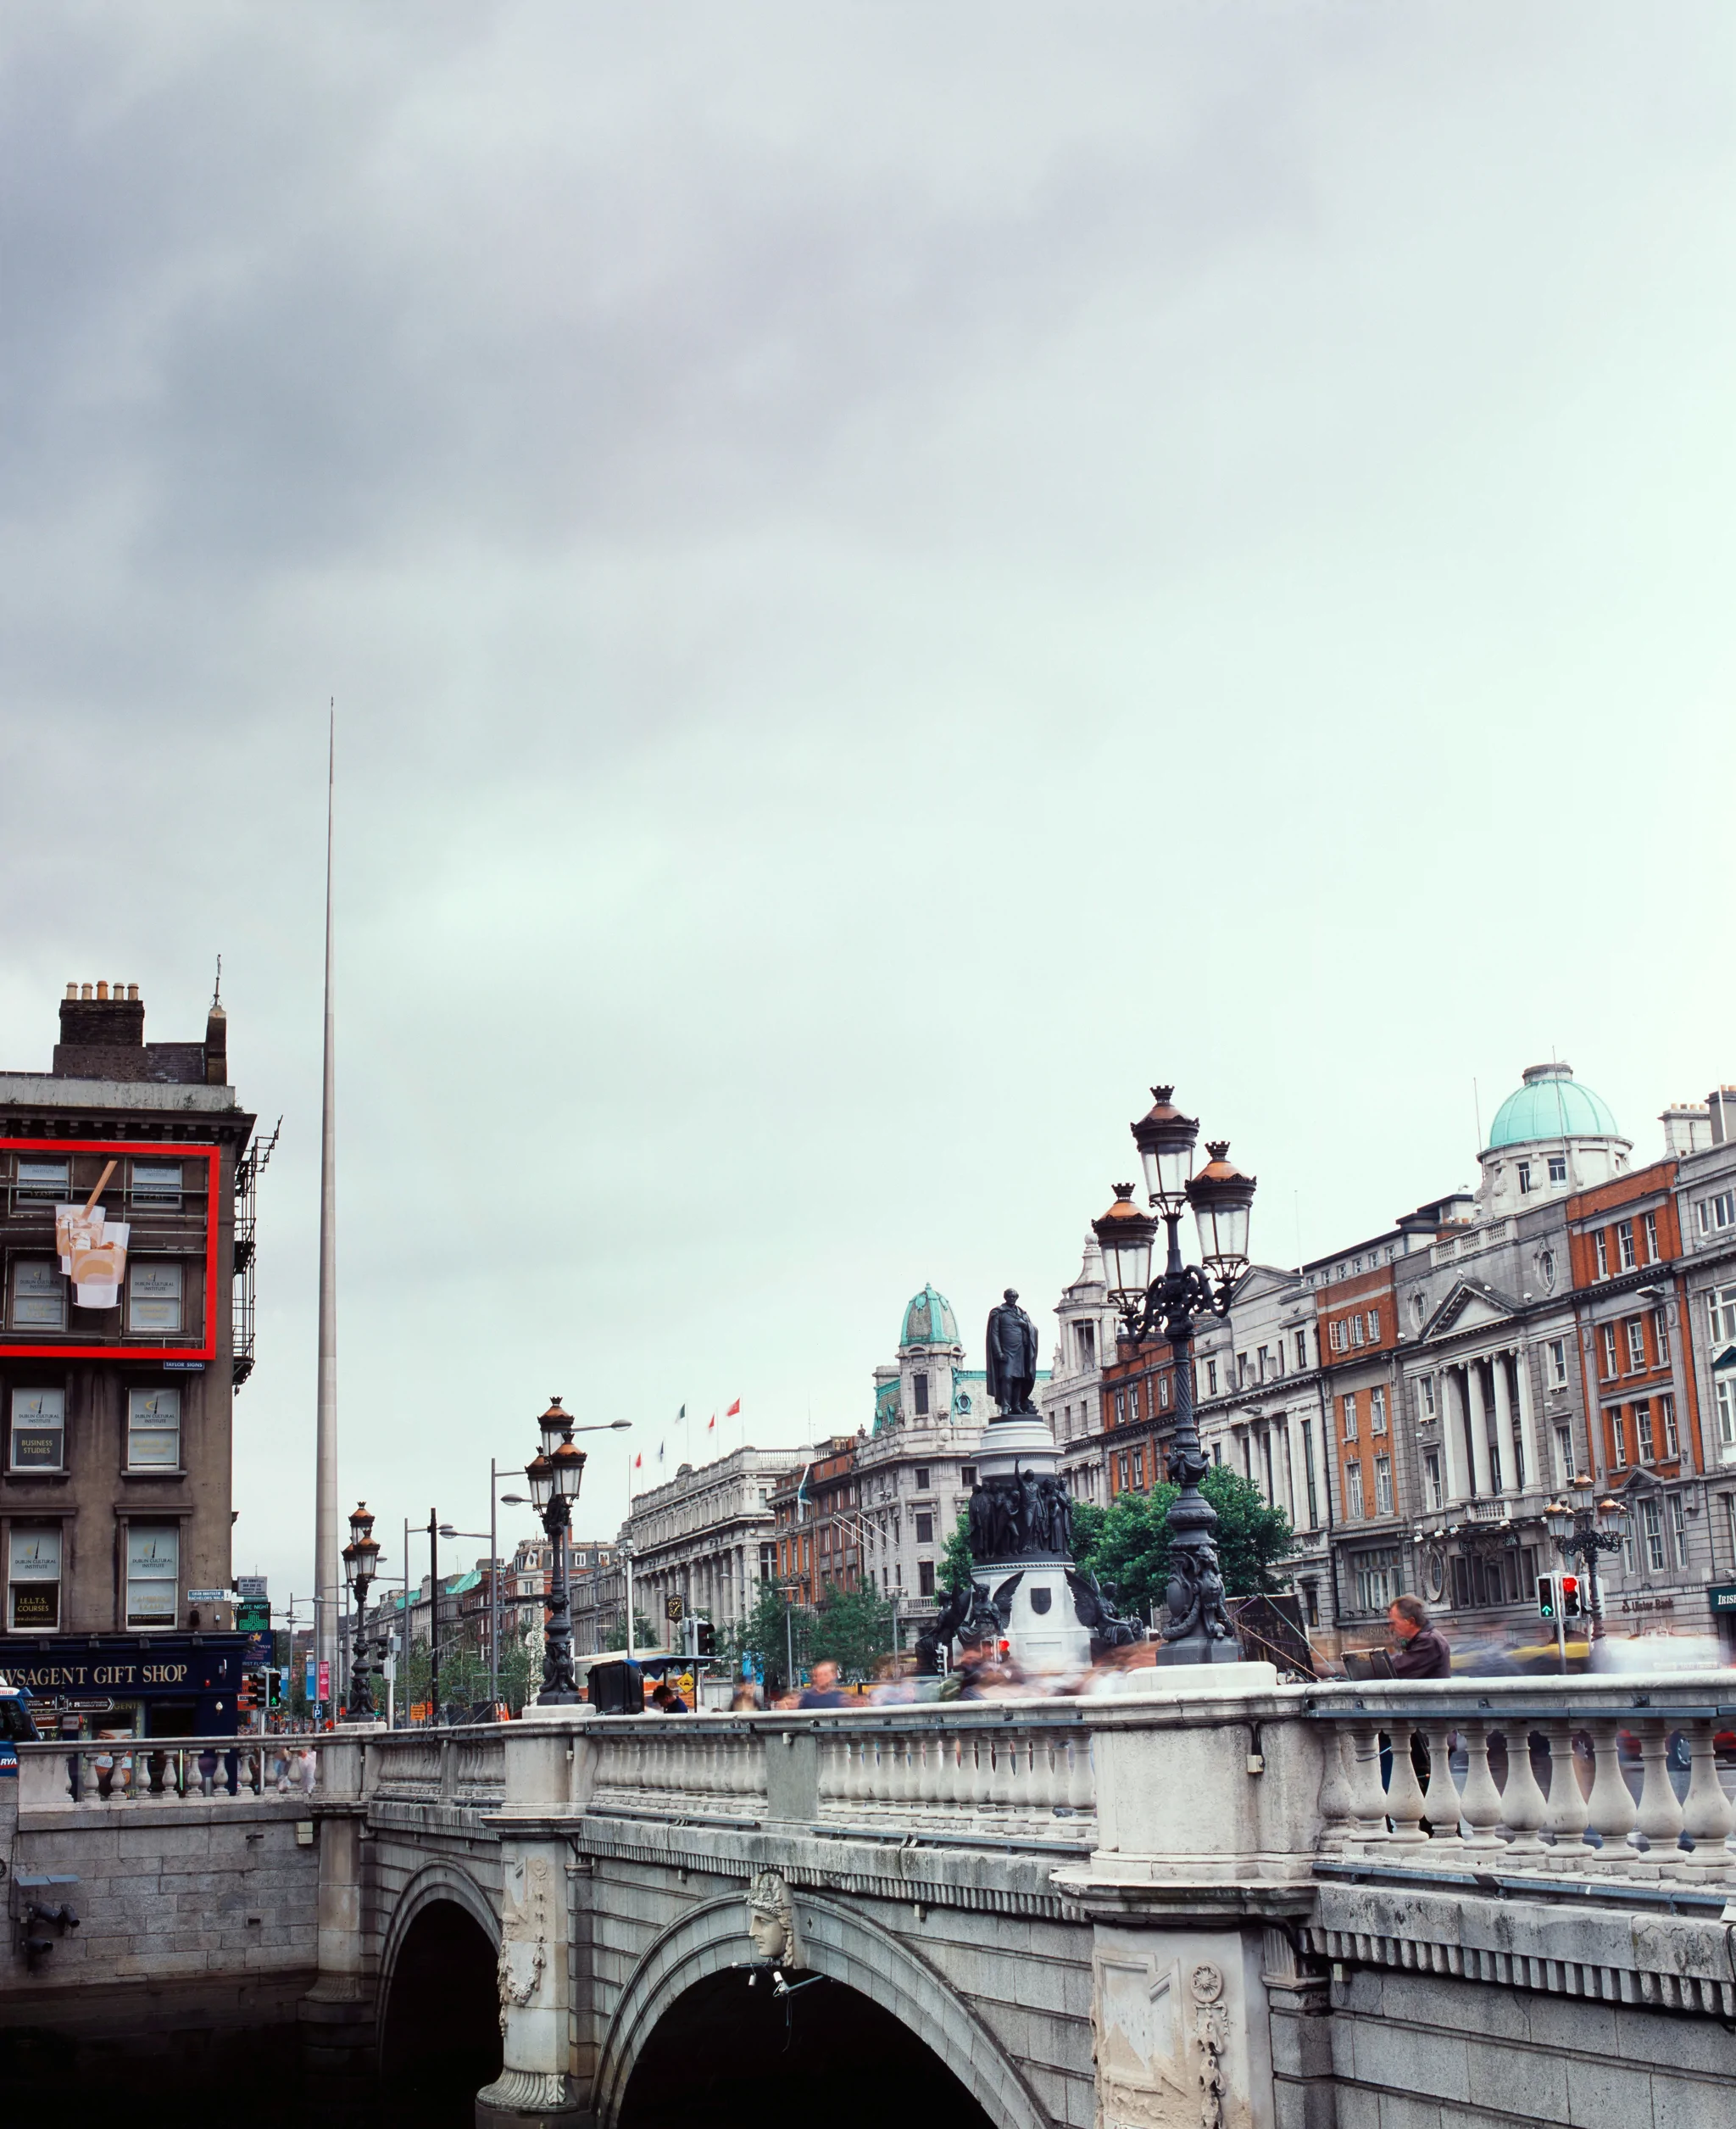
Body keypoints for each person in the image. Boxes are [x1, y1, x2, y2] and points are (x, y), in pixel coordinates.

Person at [1388, 1595, 1450, 1679]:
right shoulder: (1429, 1637)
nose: (1391, 1628)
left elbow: (1397, 1669)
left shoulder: (1429, 1641)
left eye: (1394, 1623)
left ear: (1410, 1621)